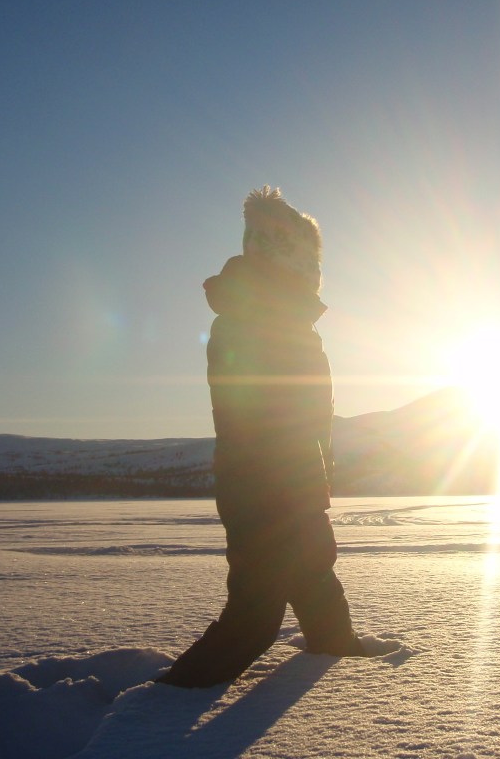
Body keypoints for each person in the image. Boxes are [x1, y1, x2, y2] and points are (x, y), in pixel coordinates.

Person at [157, 186, 365, 688]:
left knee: (315, 578)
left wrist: (318, 473)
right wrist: (281, 486)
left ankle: (344, 659)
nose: (315, 278)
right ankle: (164, 707)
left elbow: (312, 414)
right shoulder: (251, 323)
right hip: (264, 488)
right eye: (306, 265)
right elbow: (253, 417)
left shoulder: (288, 325)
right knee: (256, 612)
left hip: (298, 485)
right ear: (286, 264)